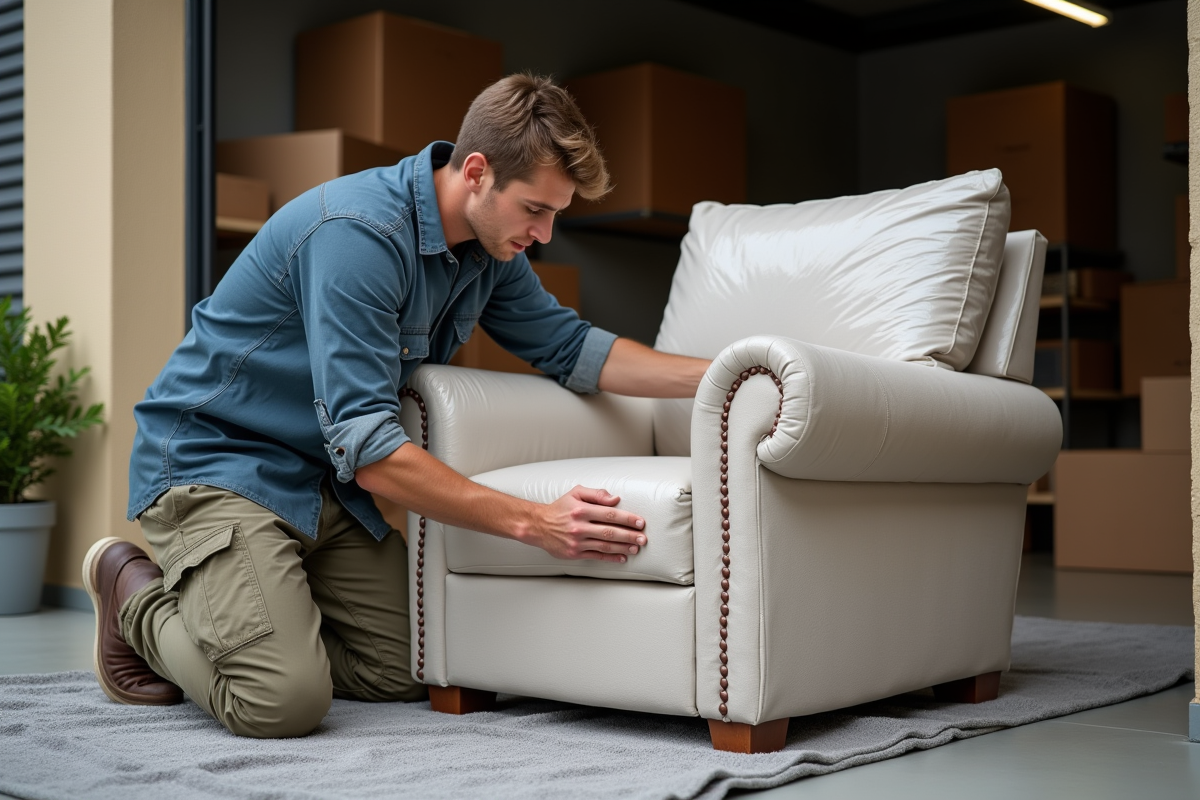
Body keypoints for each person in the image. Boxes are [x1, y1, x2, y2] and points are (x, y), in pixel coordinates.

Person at [83, 73, 710, 738]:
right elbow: (373, 452)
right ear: (476, 171)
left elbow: (571, 347)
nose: (546, 233)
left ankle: (256, 612)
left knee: (415, 667)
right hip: (218, 467)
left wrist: (728, 375)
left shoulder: (486, 249)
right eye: (535, 209)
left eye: (556, 213)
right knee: (281, 701)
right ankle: (136, 597)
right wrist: (533, 521)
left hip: (319, 484)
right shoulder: (357, 235)